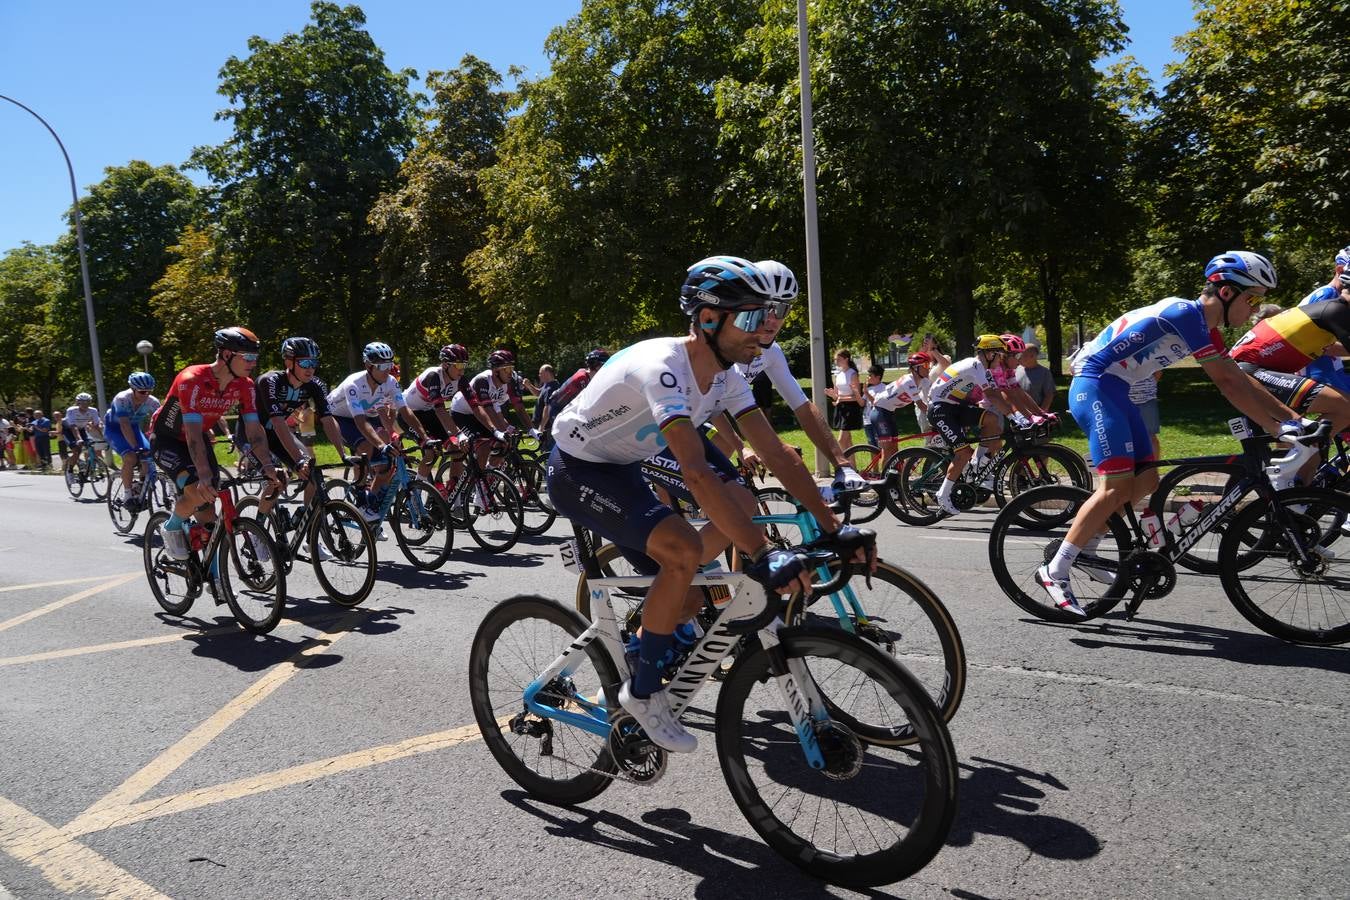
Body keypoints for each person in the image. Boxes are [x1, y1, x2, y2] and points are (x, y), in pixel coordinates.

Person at [547, 255, 860, 754]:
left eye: (771, 316)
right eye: (754, 317)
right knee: (682, 552)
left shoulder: (726, 376)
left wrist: (833, 527)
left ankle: (652, 634)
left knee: (721, 533)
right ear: (709, 318)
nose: (768, 329)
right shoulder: (664, 368)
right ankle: (643, 693)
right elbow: (692, 469)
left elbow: (777, 451)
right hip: (579, 468)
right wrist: (762, 555)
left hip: (625, 465)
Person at [1039, 251, 1311, 615]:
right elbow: (1227, 382)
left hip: (1119, 390)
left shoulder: (1204, 328)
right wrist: (1280, 427)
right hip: (1097, 387)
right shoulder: (1185, 314)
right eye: (1253, 299)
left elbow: (1239, 378)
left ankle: (1088, 549)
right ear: (1227, 293)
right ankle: (1056, 568)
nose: (1255, 309)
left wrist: (1292, 419)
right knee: (1115, 487)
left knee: (1147, 480)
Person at [703, 260, 865, 495]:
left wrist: (842, 465)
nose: (772, 320)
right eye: (764, 309)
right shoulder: (725, 347)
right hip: (666, 425)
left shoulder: (771, 352)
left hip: (707, 416)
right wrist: (742, 447)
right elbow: (726, 408)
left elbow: (802, 406)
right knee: (725, 491)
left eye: (781, 310)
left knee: (739, 504)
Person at [150, 327, 280, 561]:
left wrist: (267, 466)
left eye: (255, 357)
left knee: (209, 518)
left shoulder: (245, 385)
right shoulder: (192, 379)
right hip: (168, 441)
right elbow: (190, 433)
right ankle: (172, 526)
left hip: (198, 439)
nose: (252, 362)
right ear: (227, 355)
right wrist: (202, 475)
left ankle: (214, 577)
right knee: (196, 492)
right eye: (247, 357)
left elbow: (254, 431)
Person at [1228, 282, 1350, 470]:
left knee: (1317, 442)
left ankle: (1304, 492)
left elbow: (1335, 348)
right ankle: (1292, 470)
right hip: (1248, 371)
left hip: (1254, 369)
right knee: (1344, 407)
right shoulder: (1337, 311)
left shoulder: (1332, 309)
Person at [250, 337, 350, 536]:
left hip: (277, 436)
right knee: (277, 480)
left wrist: (344, 455)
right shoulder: (270, 381)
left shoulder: (315, 385)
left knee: (312, 470)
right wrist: (297, 461)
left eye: (314, 363)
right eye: (305, 363)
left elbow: (328, 420)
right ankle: (257, 533)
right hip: (253, 436)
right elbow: (278, 422)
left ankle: (307, 529)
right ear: (289, 362)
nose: (310, 368)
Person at [326, 341, 429, 524]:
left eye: (389, 365)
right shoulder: (354, 384)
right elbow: (359, 421)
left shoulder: (390, 382)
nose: (387, 370)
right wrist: (382, 446)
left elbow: (405, 411)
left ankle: (371, 505)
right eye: (382, 366)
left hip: (366, 415)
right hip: (340, 417)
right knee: (368, 448)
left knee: (386, 464)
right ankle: (360, 501)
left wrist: (425, 438)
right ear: (368, 365)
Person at [925, 335, 1020, 516]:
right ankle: (943, 495)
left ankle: (977, 466)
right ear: (989, 353)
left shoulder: (982, 369)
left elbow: (996, 395)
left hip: (955, 407)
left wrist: (1015, 415)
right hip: (940, 410)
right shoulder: (975, 366)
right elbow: (991, 396)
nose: (1001, 359)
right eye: (999, 355)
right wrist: (1014, 417)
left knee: (991, 420)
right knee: (963, 453)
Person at [449, 349, 539, 473]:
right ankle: (478, 482)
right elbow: (488, 410)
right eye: (506, 369)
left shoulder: (508, 382)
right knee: (484, 445)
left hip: (482, 412)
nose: (510, 372)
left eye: (511, 368)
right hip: (462, 413)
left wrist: (531, 429)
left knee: (503, 444)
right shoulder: (483, 381)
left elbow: (517, 407)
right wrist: (499, 431)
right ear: (496, 371)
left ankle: (489, 473)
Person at [402, 344, 472, 478]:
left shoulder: (460, 379)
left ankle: (452, 493)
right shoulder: (433, 375)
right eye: (458, 366)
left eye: (464, 365)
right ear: (446, 364)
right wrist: (458, 434)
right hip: (409, 414)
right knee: (432, 452)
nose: (462, 371)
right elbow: (440, 409)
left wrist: (494, 429)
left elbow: (476, 405)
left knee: (457, 450)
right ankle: (418, 489)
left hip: (428, 414)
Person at [869, 352, 933, 465]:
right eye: (926, 365)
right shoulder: (908, 381)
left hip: (889, 412)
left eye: (930, 365)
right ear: (915, 368)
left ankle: (895, 477)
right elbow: (921, 405)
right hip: (879, 411)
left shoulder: (924, 381)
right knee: (888, 449)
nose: (929, 368)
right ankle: (884, 480)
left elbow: (930, 400)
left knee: (894, 449)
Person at [105, 372, 160, 497]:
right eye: (142, 392)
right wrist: (135, 447)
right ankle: (128, 494)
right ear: (133, 389)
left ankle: (139, 488)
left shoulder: (152, 402)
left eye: (149, 391)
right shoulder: (122, 399)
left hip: (134, 429)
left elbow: (161, 422)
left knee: (147, 458)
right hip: (115, 430)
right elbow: (124, 424)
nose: (146, 395)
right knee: (131, 457)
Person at [825, 349, 864, 449]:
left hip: (851, 409)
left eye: (838, 359)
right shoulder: (837, 375)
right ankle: (852, 465)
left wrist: (840, 399)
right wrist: (832, 395)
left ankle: (845, 464)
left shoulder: (853, 374)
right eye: (835, 360)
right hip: (841, 408)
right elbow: (837, 396)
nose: (836, 362)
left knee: (841, 440)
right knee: (848, 441)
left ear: (846, 359)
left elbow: (857, 396)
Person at [61, 393, 103, 476]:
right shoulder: (71, 410)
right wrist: (79, 439)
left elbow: (97, 425)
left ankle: (88, 467)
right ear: (78, 403)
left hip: (81, 429)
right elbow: (73, 427)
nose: (85, 404)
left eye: (87, 402)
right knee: (76, 451)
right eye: (82, 402)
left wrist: (103, 437)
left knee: (91, 445)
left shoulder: (93, 410)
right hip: (69, 431)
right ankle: (70, 471)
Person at [1015, 340, 1056, 411]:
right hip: (1019, 413)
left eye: (1022, 355)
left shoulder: (1044, 372)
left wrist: (1042, 413)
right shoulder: (1017, 369)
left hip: (1035, 413)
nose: (1019, 358)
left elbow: (1049, 395)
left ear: (1032, 356)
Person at [863, 365, 886, 447]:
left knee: (880, 445)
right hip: (867, 421)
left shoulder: (884, 388)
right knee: (871, 446)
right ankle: (874, 460)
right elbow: (862, 403)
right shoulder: (869, 388)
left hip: (878, 421)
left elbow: (876, 402)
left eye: (870, 375)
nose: (868, 377)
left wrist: (866, 393)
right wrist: (855, 392)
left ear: (878, 377)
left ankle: (883, 460)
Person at [533, 364, 559, 431]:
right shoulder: (547, 385)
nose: (539, 375)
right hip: (544, 425)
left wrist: (542, 426)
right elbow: (539, 393)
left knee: (547, 441)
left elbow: (547, 408)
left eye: (540, 373)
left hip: (546, 427)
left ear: (547, 373)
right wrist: (529, 385)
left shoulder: (551, 388)